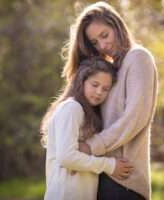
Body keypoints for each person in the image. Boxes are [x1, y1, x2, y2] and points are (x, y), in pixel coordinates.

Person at [61, 2, 158, 200]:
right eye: (95, 43)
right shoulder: (110, 69)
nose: (102, 46)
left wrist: (90, 146)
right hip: (105, 174)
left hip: (125, 180)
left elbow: (135, 117)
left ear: (117, 25)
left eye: (104, 35)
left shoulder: (138, 57)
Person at [40, 57, 134, 200]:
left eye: (105, 89)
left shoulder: (87, 113)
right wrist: (109, 165)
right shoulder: (72, 108)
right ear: (81, 81)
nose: (99, 92)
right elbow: (66, 157)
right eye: (94, 84)